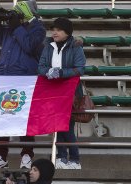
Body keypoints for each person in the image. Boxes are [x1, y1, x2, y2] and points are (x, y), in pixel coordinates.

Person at [0, 0, 46, 169]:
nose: (15, 13)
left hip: (24, 78)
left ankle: (27, 156)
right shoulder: (9, 27)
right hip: (4, 76)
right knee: (1, 118)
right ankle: (0, 156)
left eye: (19, 11)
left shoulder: (38, 28)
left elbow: (29, 46)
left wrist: (17, 27)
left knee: (23, 119)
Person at [38, 17, 86, 169]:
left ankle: (74, 159)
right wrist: (49, 72)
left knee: (67, 126)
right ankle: (61, 157)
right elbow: (41, 67)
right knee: (56, 125)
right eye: (53, 29)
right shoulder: (48, 46)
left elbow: (80, 68)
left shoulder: (76, 47)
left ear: (67, 32)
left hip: (70, 92)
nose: (54, 32)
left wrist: (61, 73)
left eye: (58, 30)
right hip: (52, 92)